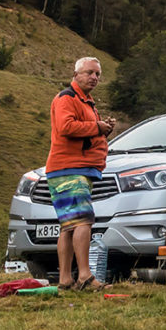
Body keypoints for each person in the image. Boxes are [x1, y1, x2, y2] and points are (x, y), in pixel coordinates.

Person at [46, 57, 113, 291]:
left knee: (69, 225)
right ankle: (85, 277)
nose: (94, 77)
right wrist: (97, 127)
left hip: (73, 169)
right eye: (89, 72)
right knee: (83, 221)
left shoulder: (87, 102)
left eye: (98, 74)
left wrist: (103, 129)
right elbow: (66, 127)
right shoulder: (68, 98)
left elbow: (84, 132)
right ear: (76, 74)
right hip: (69, 169)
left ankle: (65, 280)